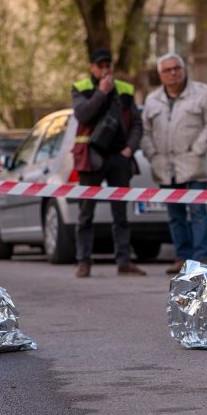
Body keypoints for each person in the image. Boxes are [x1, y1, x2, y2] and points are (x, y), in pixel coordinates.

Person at [141, 53, 207, 276]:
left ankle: (202, 259)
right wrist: (152, 154)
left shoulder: (202, 93)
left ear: (184, 69)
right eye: (167, 70)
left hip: (193, 163)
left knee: (198, 211)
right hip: (165, 166)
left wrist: (197, 150)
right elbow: (144, 132)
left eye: (177, 68)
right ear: (160, 74)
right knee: (174, 214)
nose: (173, 73)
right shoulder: (152, 100)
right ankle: (182, 257)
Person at [71, 48, 146, 278]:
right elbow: (82, 115)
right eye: (100, 66)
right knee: (86, 213)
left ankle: (123, 261)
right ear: (92, 68)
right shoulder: (81, 88)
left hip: (118, 157)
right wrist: (101, 94)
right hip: (90, 157)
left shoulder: (124, 89)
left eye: (108, 66)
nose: (104, 70)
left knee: (121, 213)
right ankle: (84, 261)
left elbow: (136, 123)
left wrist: (129, 149)